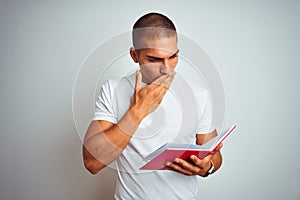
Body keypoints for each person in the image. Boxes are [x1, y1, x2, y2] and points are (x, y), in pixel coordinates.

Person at [82, 12, 223, 199]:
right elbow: (92, 163)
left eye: (173, 56)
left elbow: (214, 154)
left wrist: (208, 166)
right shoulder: (113, 90)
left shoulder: (198, 94)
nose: (167, 68)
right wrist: (138, 111)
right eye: (154, 59)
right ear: (135, 55)